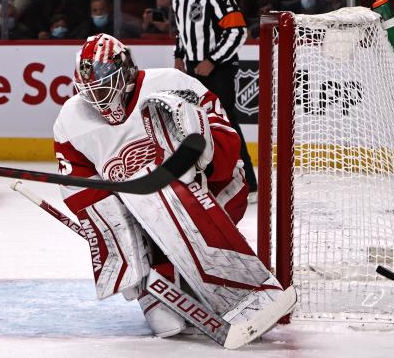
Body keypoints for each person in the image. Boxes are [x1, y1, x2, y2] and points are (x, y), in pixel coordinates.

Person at [53, 33, 293, 339]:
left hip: (214, 190)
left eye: (104, 86)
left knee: (168, 196)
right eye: (91, 91)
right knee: (128, 224)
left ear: (125, 73)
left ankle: (241, 289)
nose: (98, 99)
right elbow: (84, 195)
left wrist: (199, 145)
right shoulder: (70, 122)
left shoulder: (171, 84)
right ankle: (160, 283)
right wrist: (121, 246)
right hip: (147, 214)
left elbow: (229, 146)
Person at [170, 0, 256, 198]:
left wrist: (213, 60)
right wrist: (179, 54)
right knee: (194, 124)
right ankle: (208, 178)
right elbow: (182, 30)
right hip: (193, 70)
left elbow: (238, 31)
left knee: (226, 124)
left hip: (218, 70)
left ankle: (249, 182)